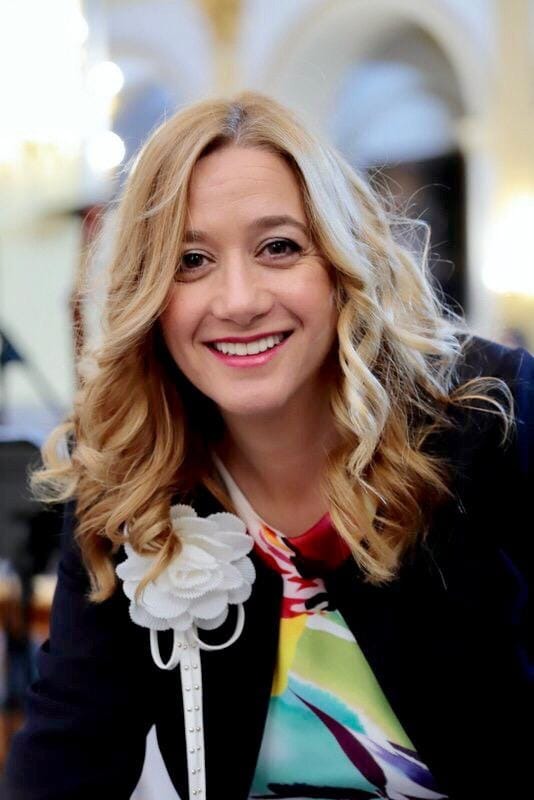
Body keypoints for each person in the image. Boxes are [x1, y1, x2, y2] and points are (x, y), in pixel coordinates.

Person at [6, 92, 533, 800]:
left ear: (343, 262)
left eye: (278, 247)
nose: (239, 300)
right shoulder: (127, 476)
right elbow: (66, 752)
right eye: (191, 260)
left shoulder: (494, 416)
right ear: (150, 295)